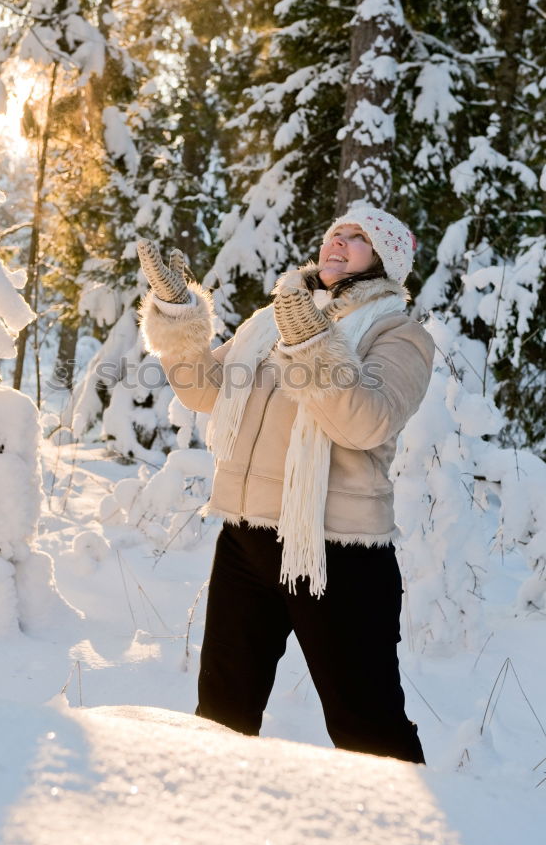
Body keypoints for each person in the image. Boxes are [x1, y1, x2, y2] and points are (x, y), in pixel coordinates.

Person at [136, 207, 434, 764]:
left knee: (366, 726)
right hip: (247, 543)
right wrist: (179, 316)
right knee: (222, 712)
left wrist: (314, 344)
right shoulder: (273, 318)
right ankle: (209, 823)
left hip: (338, 553)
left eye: (358, 240)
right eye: (334, 234)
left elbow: (364, 423)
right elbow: (206, 392)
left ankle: (404, 840)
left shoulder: (401, 335)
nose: (338, 244)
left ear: (386, 260)